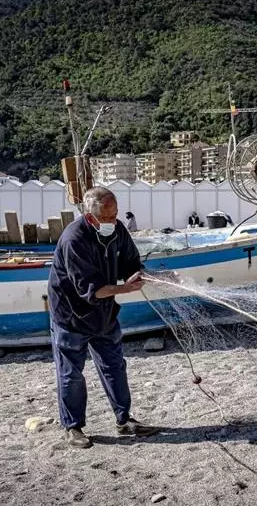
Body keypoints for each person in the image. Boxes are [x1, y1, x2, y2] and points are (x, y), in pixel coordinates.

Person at [48, 187, 158, 448]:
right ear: (90, 215)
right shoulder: (74, 239)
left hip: (104, 311)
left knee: (114, 365)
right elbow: (92, 289)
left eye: (115, 215)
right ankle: (73, 427)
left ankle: (124, 420)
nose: (112, 222)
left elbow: (131, 262)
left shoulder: (118, 229)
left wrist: (142, 275)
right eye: (106, 218)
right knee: (71, 373)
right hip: (71, 315)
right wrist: (124, 289)